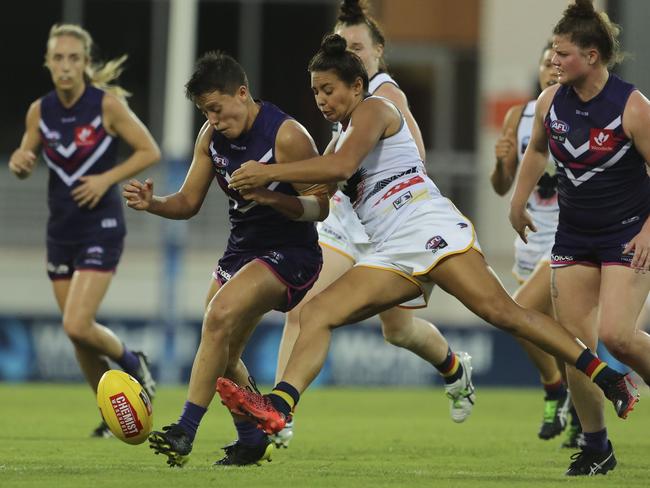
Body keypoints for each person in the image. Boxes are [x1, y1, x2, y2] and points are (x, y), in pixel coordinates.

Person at [216, 34, 638, 460]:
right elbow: (318, 209)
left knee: (503, 313)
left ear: (356, 87)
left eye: (329, 89)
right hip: (390, 247)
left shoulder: (376, 109)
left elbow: (340, 169)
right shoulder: (337, 140)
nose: (322, 100)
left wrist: (273, 168)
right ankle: (280, 407)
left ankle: (605, 376)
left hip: (427, 225)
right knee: (317, 313)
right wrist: (270, 194)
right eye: (315, 92)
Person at [272, 0, 475, 448]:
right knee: (301, 309)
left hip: (391, 227)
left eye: (359, 45)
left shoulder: (385, 94)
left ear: (378, 51)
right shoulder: (339, 94)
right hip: (347, 225)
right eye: (344, 44)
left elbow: (415, 157)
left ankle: (454, 369)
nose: (352, 52)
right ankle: (280, 415)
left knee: (397, 330)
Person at [123, 51, 331, 467]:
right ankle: (252, 438)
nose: (213, 119)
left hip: (292, 253)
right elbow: (187, 202)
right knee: (221, 347)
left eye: (216, 108)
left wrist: (270, 193)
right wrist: (154, 203)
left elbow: (321, 207)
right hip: (242, 251)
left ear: (242, 93)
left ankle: (185, 428)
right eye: (205, 111)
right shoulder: (210, 137)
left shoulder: (287, 136)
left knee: (218, 317)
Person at [509, 0, 650, 476]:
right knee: (575, 347)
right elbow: (537, 150)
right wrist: (517, 200)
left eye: (563, 53)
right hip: (574, 236)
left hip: (628, 234)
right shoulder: (550, 102)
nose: (553, 60)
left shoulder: (632, 106)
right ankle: (597, 447)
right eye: (552, 51)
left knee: (617, 336)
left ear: (592, 56)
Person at [8, 24, 160, 437]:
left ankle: (134, 363)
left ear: (86, 64)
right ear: (48, 63)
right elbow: (25, 153)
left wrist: (105, 178)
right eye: (58, 58)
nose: (66, 66)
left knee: (76, 324)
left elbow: (150, 149)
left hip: (102, 226)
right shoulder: (40, 111)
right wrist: (19, 161)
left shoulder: (105, 106)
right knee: (79, 338)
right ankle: (113, 416)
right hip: (60, 230)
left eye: (74, 58)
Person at [490, 42, 576, 444]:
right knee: (537, 327)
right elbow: (501, 187)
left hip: (568, 235)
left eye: (556, 64)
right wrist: (501, 160)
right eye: (545, 64)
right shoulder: (519, 116)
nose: (550, 70)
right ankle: (560, 389)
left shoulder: (581, 114)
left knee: (524, 313)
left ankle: (566, 399)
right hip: (529, 236)